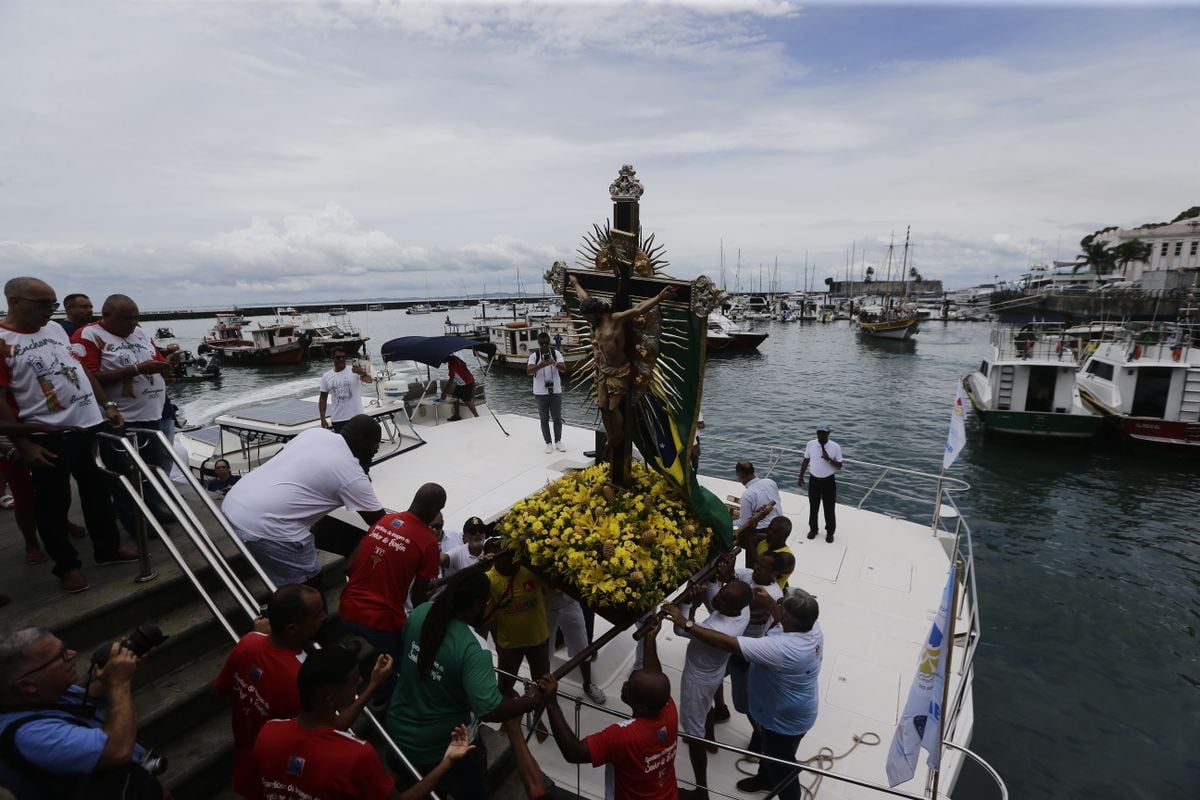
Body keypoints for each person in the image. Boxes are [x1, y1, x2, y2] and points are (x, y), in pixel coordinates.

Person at [0, 277, 138, 593]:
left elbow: (81, 369)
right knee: (53, 503)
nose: (52, 309)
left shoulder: (54, 330)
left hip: (90, 424)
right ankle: (67, 565)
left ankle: (107, 549)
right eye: (44, 304)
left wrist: (107, 404)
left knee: (99, 491)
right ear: (16, 301)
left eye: (53, 302)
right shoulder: (2, 341)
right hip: (47, 434)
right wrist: (23, 443)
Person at [386, 570, 545, 798]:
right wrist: (532, 700)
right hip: (443, 750)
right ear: (476, 604)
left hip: (396, 736)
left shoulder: (421, 612)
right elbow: (490, 710)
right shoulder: (474, 649)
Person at [663, 591, 823, 800]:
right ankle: (765, 778)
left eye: (781, 605)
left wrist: (686, 623)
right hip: (789, 710)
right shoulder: (812, 628)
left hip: (783, 720)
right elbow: (782, 616)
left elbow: (729, 644)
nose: (778, 605)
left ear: (788, 618)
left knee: (782, 768)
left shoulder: (781, 648)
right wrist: (768, 600)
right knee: (771, 752)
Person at [250, 646, 459, 800]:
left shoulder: (269, 732)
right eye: (354, 681)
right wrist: (447, 762)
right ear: (330, 699)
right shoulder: (357, 755)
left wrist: (374, 685)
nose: (360, 682)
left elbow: (326, 733)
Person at [220, 415, 386, 587]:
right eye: (376, 444)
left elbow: (281, 456)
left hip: (233, 505)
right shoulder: (351, 474)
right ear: (361, 439)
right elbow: (379, 522)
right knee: (308, 588)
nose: (375, 450)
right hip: (267, 528)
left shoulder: (315, 434)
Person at [0, 627, 163, 799]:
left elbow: (87, 699)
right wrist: (119, 683)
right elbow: (117, 751)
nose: (73, 654)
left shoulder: (46, 692)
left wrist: (112, 677)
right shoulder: (30, 735)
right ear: (26, 685)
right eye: (61, 655)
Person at [538, 616, 678, 800]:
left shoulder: (622, 736)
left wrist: (551, 702)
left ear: (642, 707)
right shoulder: (668, 709)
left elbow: (574, 752)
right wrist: (650, 639)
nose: (625, 685)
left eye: (630, 686)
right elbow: (655, 674)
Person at [338, 483, 446, 706]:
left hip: (346, 609)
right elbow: (418, 600)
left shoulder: (384, 521)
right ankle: (381, 706)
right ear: (436, 508)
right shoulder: (428, 543)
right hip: (382, 621)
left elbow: (347, 566)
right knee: (399, 667)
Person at [73, 294, 176, 529]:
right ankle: (136, 523)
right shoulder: (89, 335)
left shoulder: (138, 332)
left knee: (153, 469)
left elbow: (157, 360)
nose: (132, 323)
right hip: (121, 419)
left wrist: (165, 370)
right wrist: (137, 369)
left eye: (135, 318)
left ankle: (152, 509)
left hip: (152, 414)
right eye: (126, 318)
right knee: (125, 474)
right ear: (106, 315)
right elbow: (87, 377)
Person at [214, 584, 327, 797]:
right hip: (283, 776)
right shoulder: (302, 676)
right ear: (292, 628)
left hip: (247, 763)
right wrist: (373, 686)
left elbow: (218, 691)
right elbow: (324, 730)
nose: (324, 616)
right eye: (317, 614)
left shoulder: (248, 642)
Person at [663, 579, 752, 800]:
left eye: (722, 598)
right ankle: (709, 737)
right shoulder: (744, 611)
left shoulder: (715, 629)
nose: (716, 599)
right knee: (706, 705)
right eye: (721, 592)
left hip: (697, 679)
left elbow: (680, 629)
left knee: (694, 736)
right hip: (716, 670)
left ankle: (701, 791)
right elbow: (716, 596)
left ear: (733, 606)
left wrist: (685, 604)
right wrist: (713, 582)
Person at [569, 273, 676, 448]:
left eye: (588, 316)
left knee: (612, 408)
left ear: (596, 312)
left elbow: (638, 310)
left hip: (619, 370)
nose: (587, 319)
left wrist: (659, 297)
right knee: (602, 406)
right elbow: (584, 297)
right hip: (603, 369)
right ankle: (611, 435)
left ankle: (617, 435)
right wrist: (574, 284)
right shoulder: (593, 321)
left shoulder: (614, 319)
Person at [486, 548, 550, 702]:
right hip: (509, 645)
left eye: (509, 554)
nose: (508, 560)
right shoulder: (487, 579)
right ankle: (511, 720)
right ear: (493, 559)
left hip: (538, 640)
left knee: (542, 686)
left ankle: (536, 720)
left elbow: (554, 588)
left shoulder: (530, 570)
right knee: (504, 687)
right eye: (501, 556)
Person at [544, 590, 606, 705]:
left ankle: (588, 684)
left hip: (570, 602)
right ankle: (545, 686)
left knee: (582, 644)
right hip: (546, 605)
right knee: (545, 650)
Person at [798, 424, 843, 543]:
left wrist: (828, 459)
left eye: (824, 433)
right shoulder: (811, 444)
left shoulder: (835, 447)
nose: (821, 435)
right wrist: (801, 476)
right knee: (813, 507)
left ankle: (830, 532)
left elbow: (839, 466)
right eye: (819, 432)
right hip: (814, 481)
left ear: (828, 434)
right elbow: (806, 460)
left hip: (828, 481)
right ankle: (813, 529)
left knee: (829, 508)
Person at [527, 332, 566, 453]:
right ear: (538, 344)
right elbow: (529, 371)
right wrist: (541, 365)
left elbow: (564, 369)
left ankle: (558, 441)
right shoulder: (534, 356)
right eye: (541, 343)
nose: (544, 345)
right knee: (544, 419)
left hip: (555, 392)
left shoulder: (556, 354)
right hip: (540, 393)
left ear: (549, 343)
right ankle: (548, 443)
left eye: (546, 343)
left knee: (557, 418)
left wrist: (554, 363)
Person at [318, 349, 371, 433]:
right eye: (338, 357)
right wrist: (322, 418)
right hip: (338, 419)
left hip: (357, 416)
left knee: (360, 443)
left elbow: (369, 380)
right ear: (332, 358)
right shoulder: (326, 376)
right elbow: (322, 399)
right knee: (344, 444)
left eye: (344, 357)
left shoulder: (354, 370)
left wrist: (362, 373)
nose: (342, 359)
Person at [735, 461, 782, 544]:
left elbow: (745, 523)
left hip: (762, 531)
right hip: (779, 523)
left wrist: (732, 521)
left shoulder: (747, 495)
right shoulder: (770, 482)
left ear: (740, 475)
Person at [440, 354, 478, 421]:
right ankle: (457, 415)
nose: (441, 361)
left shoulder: (453, 364)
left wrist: (444, 392)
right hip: (462, 382)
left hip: (467, 382)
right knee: (455, 397)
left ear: (446, 357)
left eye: (441, 359)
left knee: (467, 400)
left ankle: (477, 417)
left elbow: (451, 379)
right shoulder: (454, 359)